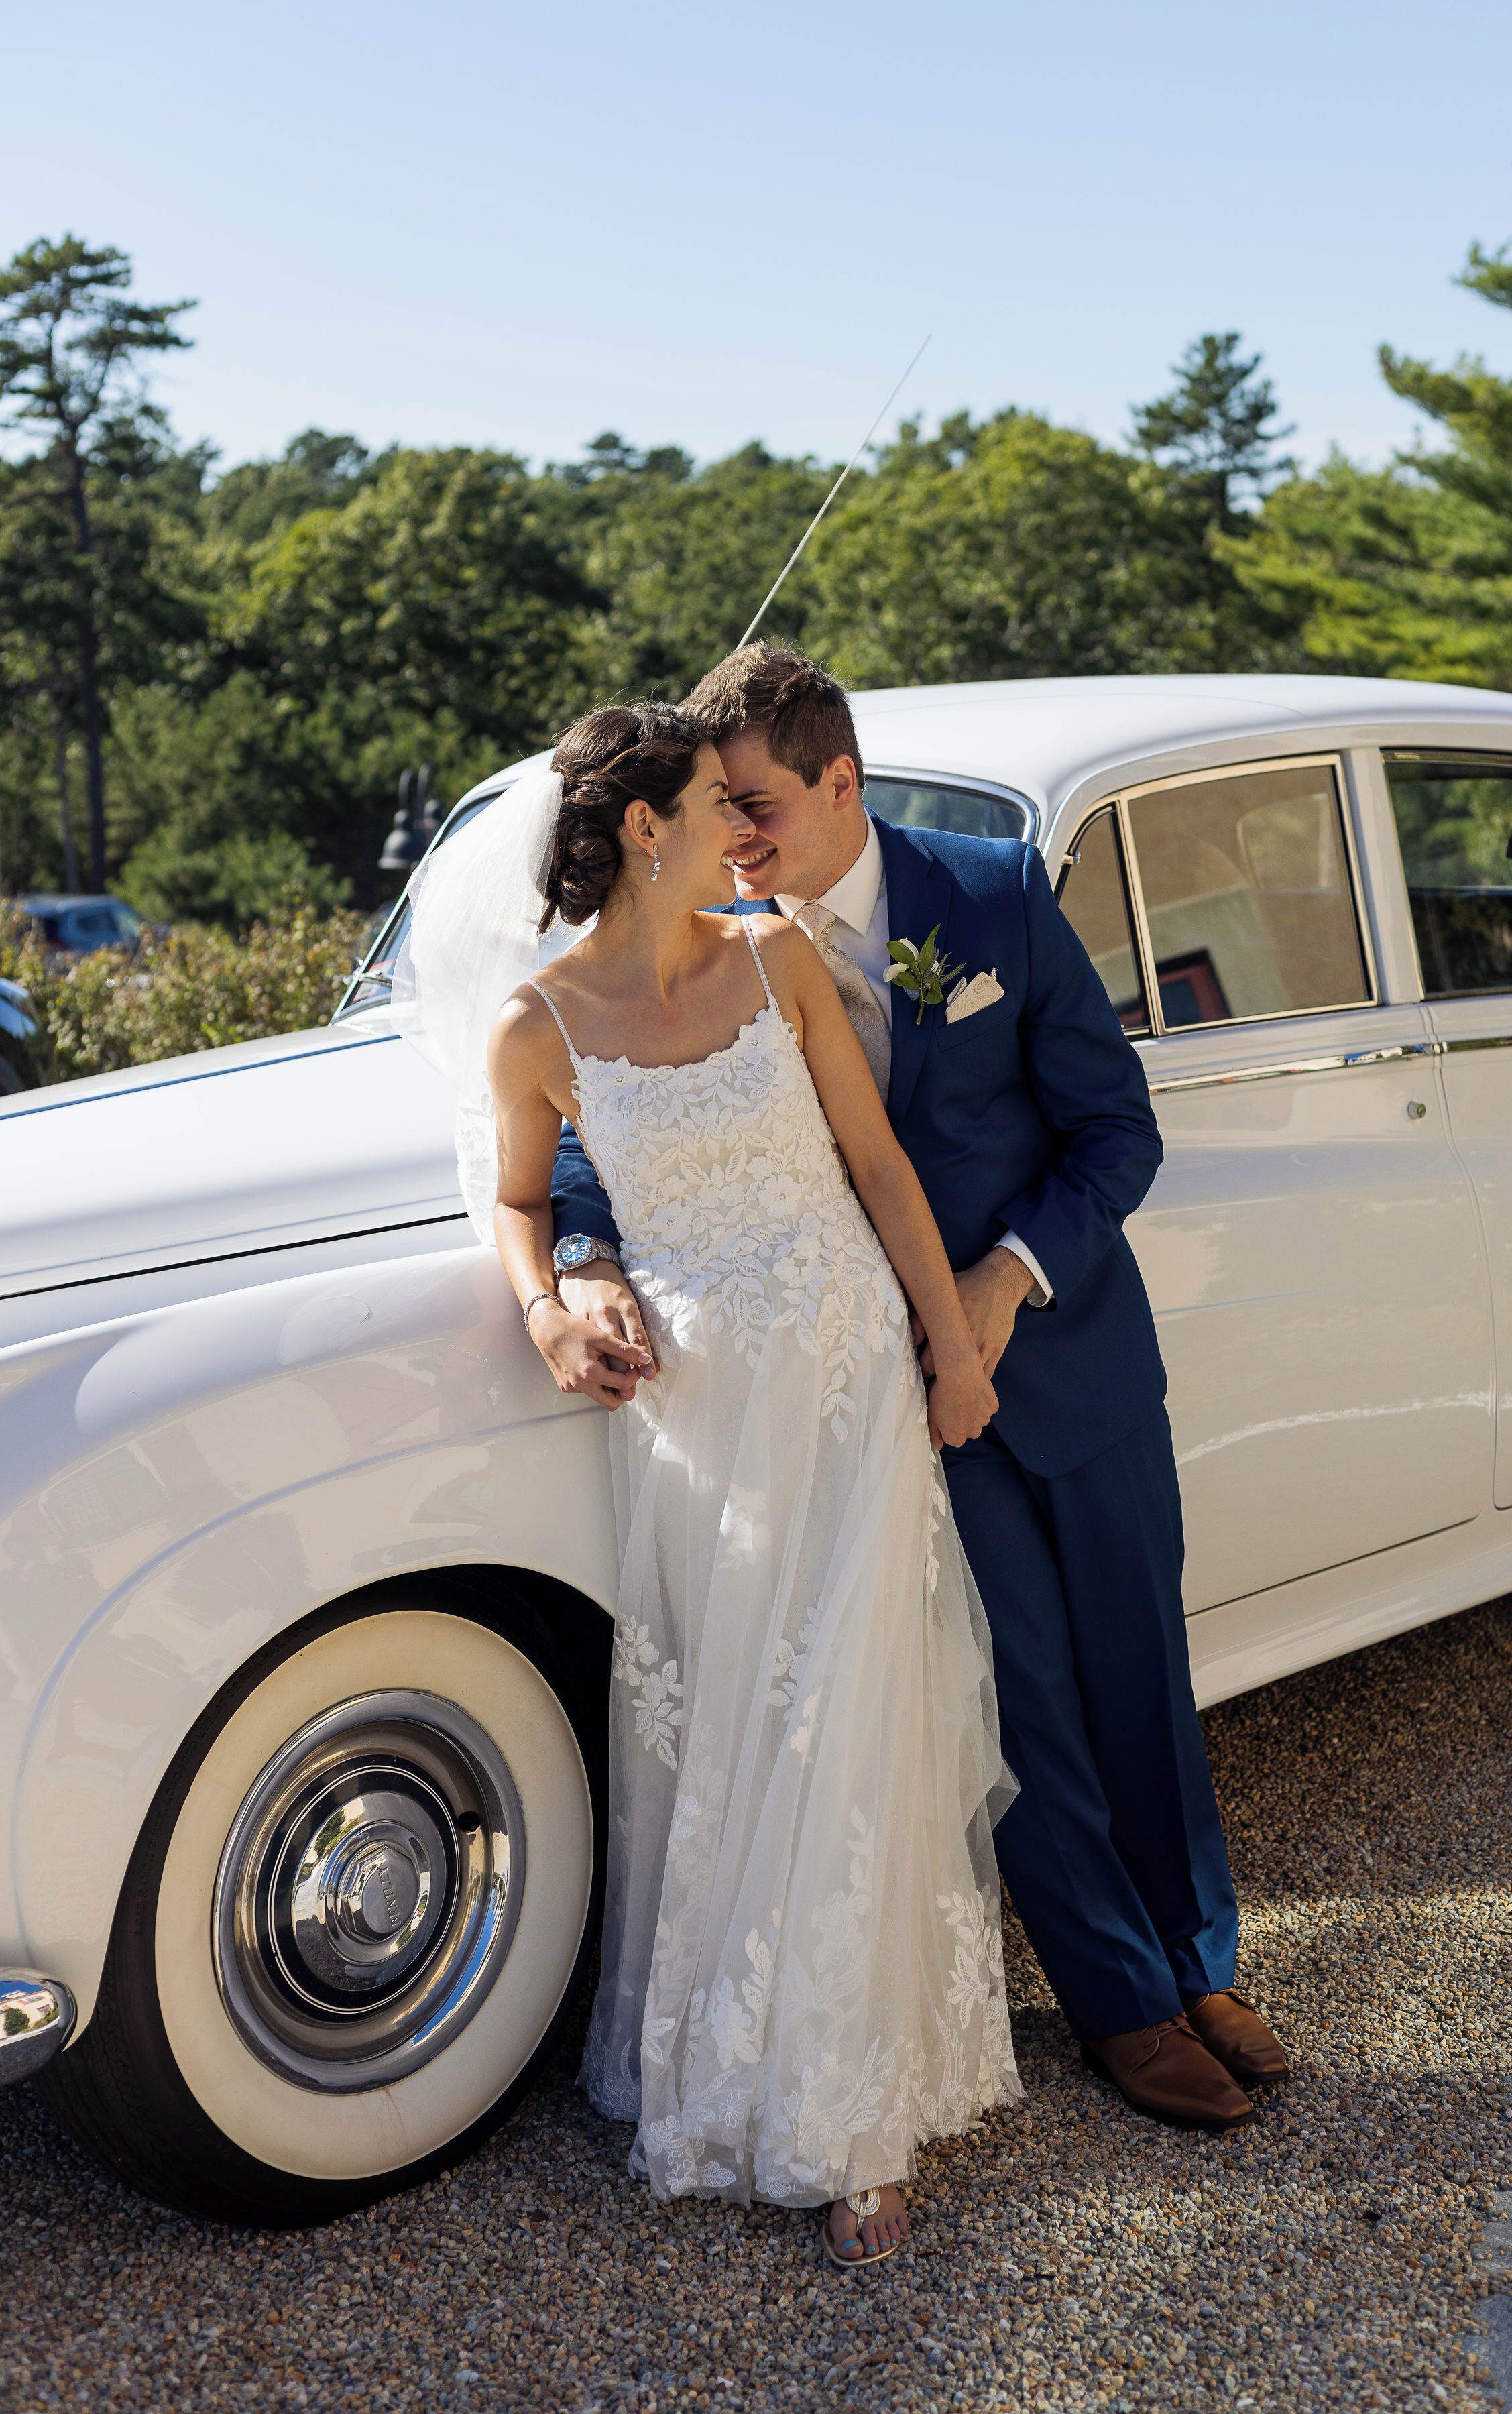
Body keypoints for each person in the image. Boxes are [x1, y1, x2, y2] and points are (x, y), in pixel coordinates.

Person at [550, 647, 1290, 2131]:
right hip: (873, 1386)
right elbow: (604, 1120)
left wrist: (1002, 1284)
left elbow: (1114, 1130)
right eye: (714, 806)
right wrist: (578, 1259)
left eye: (755, 801)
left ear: (841, 784)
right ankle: (1122, 2008)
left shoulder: (997, 891)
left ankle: (1200, 1962)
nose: (735, 832)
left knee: (1140, 1663)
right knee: (1018, 1694)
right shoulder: (710, 932)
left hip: (1064, 1350)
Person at [400, 701, 1019, 2264]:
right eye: (709, 801)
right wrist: (549, 1306)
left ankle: (852, 2115)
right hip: (699, 1423)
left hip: (849, 1379)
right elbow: (522, 1199)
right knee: (743, 1731)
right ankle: (731, 2054)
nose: (744, 828)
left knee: (851, 1728)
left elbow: (879, 1167)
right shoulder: (536, 1028)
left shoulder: (773, 957)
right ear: (642, 830)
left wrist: (953, 1351)